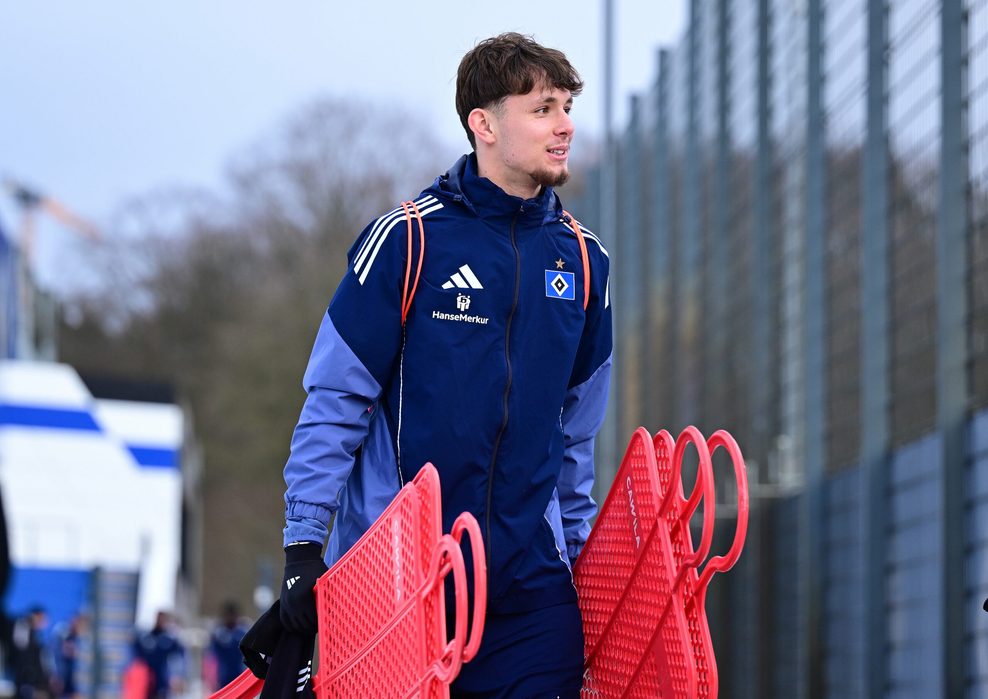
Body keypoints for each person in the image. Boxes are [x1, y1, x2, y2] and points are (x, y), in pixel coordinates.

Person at [279, 32, 611, 698]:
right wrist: (303, 545)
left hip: (531, 597)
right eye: (543, 109)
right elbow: (335, 400)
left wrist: (579, 560)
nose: (565, 126)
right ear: (483, 124)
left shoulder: (584, 261)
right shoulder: (406, 240)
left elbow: (577, 434)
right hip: (402, 588)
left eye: (567, 108)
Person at [130, 611, 186, 698]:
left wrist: (176, 676)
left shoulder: (169, 640)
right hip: (145, 683)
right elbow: (134, 659)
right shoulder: (143, 638)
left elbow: (177, 659)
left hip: (162, 684)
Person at [11, 607, 52, 699]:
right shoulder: (21, 626)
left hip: (35, 680)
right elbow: (20, 649)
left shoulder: (37, 636)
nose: (43, 623)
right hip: (22, 678)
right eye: (41, 619)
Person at [206, 601, 249, 690]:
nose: (230, 618)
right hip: (222, 678)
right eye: (228, 616)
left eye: (232, 616)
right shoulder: (217, 635)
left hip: (239, 677)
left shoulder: (243, 634)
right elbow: (211, 657)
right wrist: (211, 677)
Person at [51, 613, 87, 698]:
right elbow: (65, 651)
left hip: (68, 674)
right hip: (59, 674)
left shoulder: (76, 637)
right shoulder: (62, 630)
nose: (82, 629)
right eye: (81, 625)